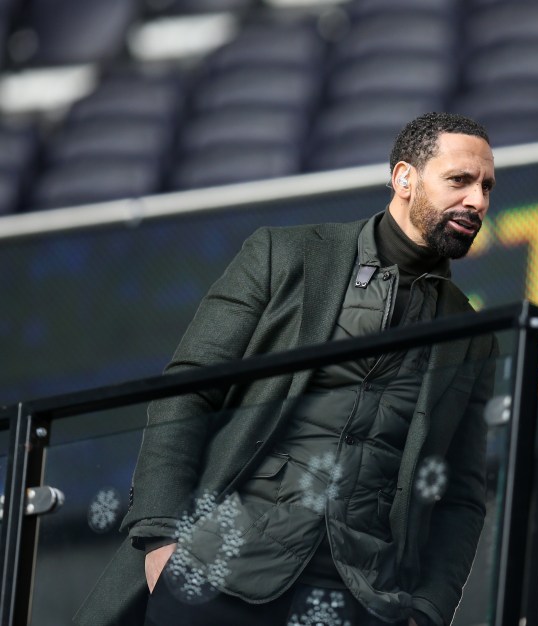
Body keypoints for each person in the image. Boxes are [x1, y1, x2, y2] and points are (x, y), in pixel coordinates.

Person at [75, 112, 498, 626]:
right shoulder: (284, 255)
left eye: (486, 187)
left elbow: (461, 495)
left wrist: (428, 611)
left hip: (361, 599)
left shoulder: (471, 332)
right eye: (460, 180)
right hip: (216, 572)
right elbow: (186, 390)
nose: (477, 201)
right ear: (404, 178)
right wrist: (162, 537)